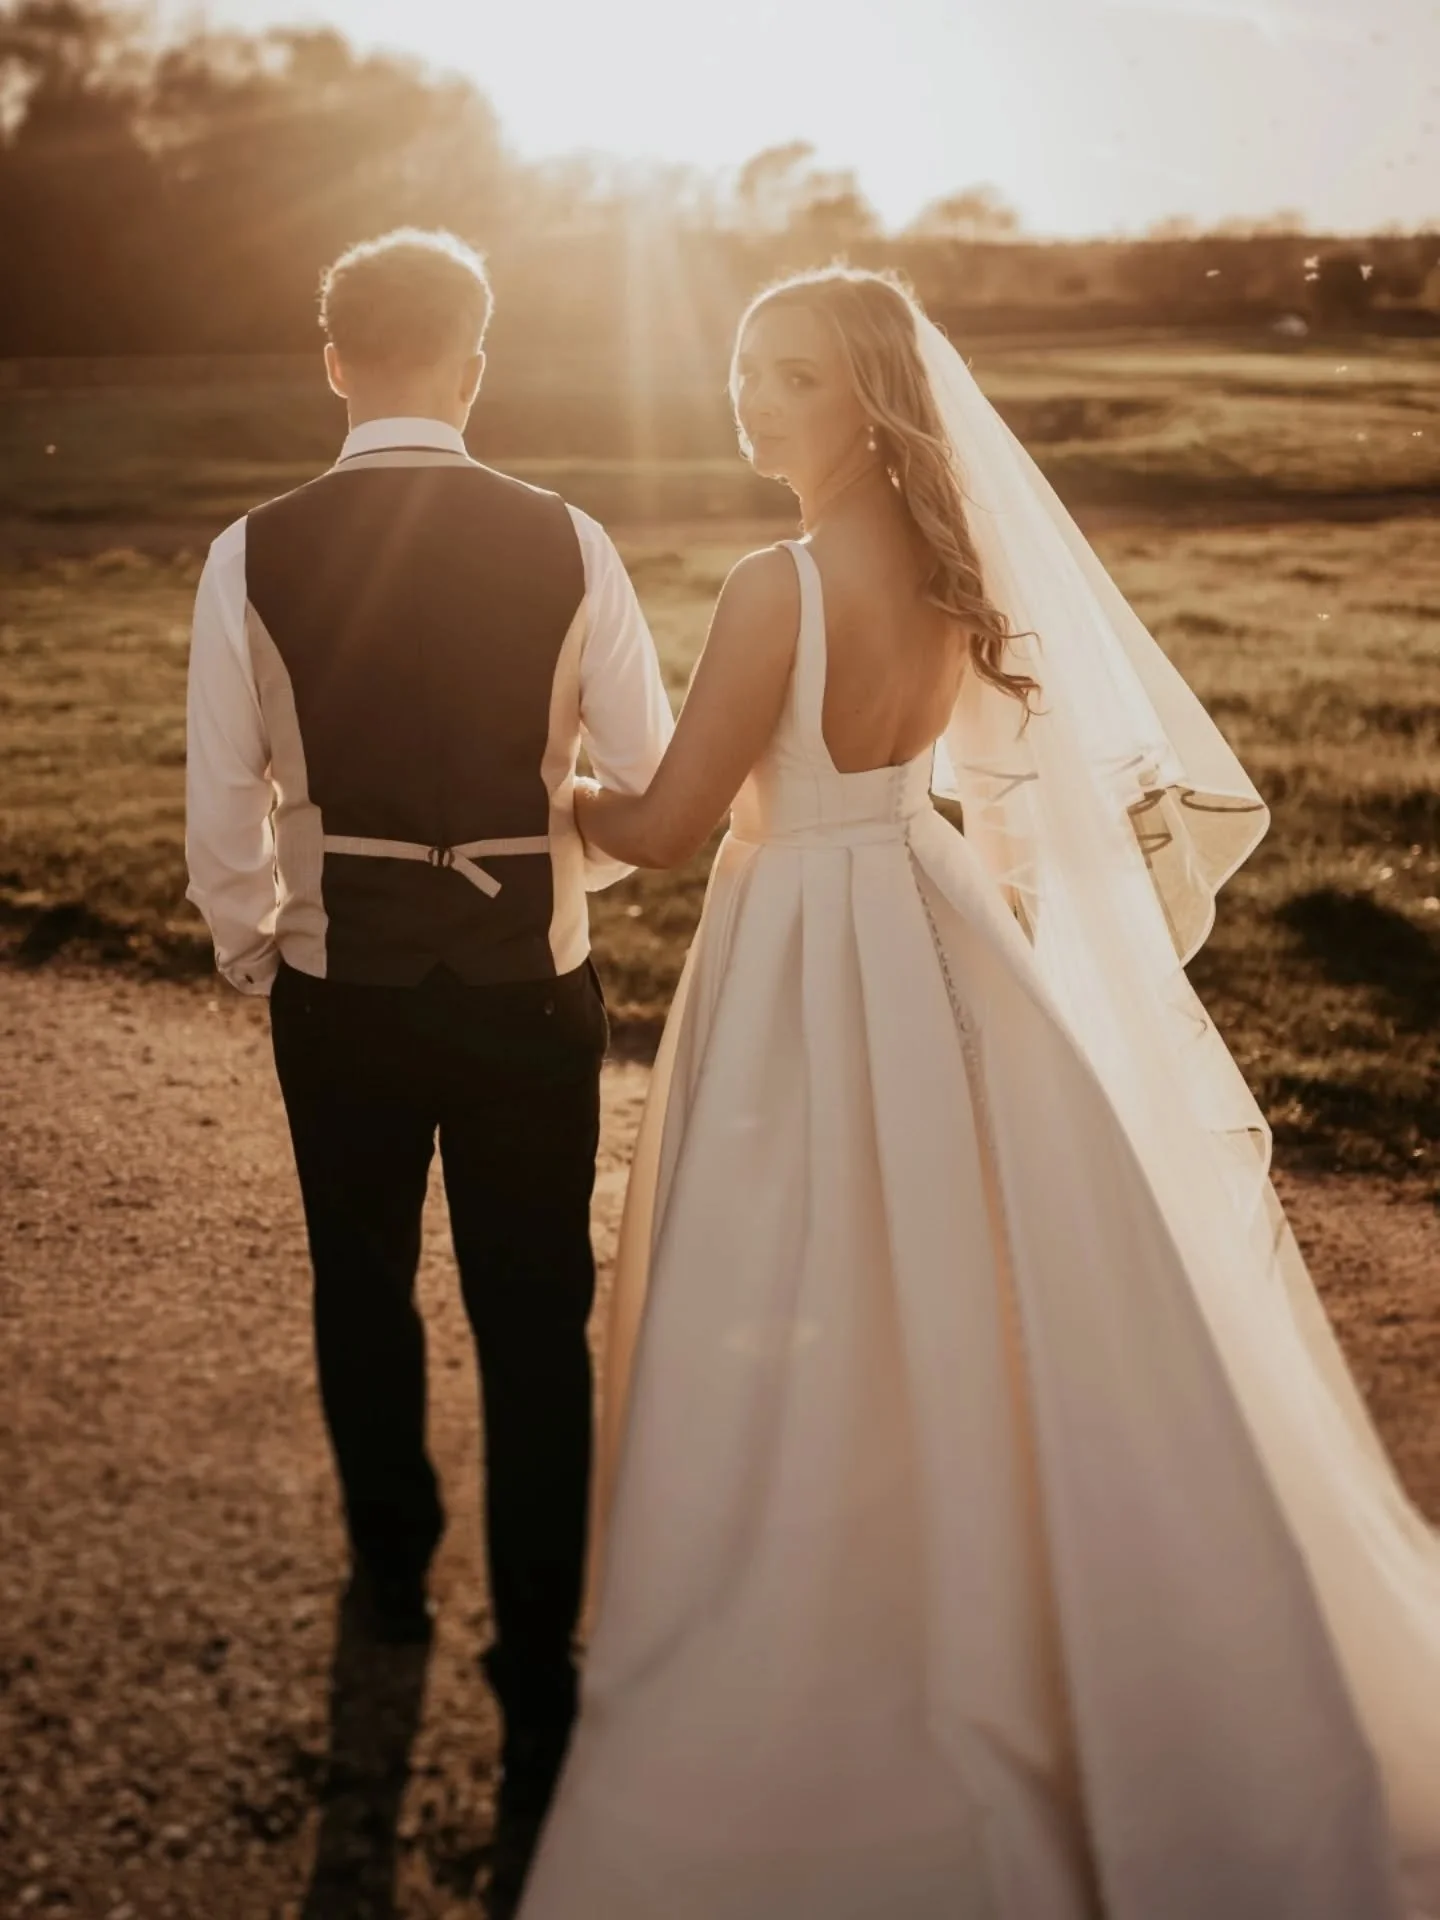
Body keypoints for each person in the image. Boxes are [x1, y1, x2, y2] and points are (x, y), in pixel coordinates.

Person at [515, 268, 1440, 1918]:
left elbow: (663, 828)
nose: (752, 401)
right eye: (744, 370)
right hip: (930, 918)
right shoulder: (955, 575)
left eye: (793, 376)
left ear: (872, 399)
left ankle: (830, 1638)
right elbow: (967, 802)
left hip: (801, 943)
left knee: (798, 1268)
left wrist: (543, 796)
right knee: (973, 1277)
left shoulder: (777, 585)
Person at [182, 228, 673, 1914]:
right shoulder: (571, 536)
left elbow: (224, 799)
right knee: (536, 1319)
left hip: (346, 995)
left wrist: (264, 949)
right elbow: (645, 776)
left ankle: (391, 1570)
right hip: (533, 986)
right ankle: (537, 1665)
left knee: (362, 1282)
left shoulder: (250, 551)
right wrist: (549, 883)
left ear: (333, 363)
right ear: (475, 365)